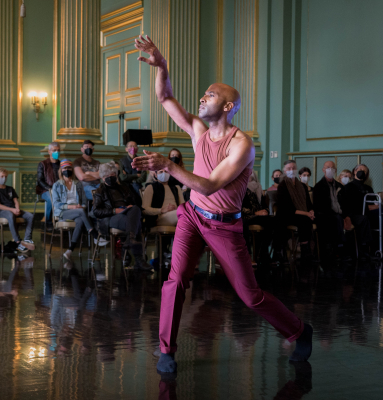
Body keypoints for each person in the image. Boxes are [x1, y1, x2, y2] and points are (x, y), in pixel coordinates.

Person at [133, 35, 311, 374]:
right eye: (204, 93)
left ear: (228, 106)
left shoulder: (241, 145)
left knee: (250, 296)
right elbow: (165, 97)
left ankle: (300, 331)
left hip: (225, 225)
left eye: (210, 94)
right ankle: (166, 351)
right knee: (176, 279)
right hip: (192, 215)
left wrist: (169, 166)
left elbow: (212, 183)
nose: (202, 98)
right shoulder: (198, 130)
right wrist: (162, 66)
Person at [92, 162, 151, 271]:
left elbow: (137, 202)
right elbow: (96, 211)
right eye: (106, 176)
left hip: (128, 213)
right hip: (111, 217)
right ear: (102, 177)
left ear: (116, 175)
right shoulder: (100, 191)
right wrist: (115, 210)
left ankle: (129, 242)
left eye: (112, 175)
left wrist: (129, 206)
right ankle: (138, 259)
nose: (110, 178)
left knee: (135, 211)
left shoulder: (124, 188)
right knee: (135, 221)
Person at [51, 160, 96, 260]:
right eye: (65, 168)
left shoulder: (78, 184)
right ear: (61, 170)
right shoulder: (57, 185)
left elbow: (84, 201)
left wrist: (81, 206)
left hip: (79, 211)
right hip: (63, 212)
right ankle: (93, 233)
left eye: (69, 168)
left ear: (72, 170)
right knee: (81, 213)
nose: (67, 170)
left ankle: (70, 250)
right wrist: (73, 207)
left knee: (80, 220)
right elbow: (56, 204)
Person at [277, 160, 315, 260]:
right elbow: (287, 208)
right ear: (285, 172)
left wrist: (311, 211)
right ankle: (304, 249)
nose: (292, 170)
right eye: (289, 168)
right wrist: (307, 214)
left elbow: (309, 203)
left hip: (303, 213)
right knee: (305, 220)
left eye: (293, 168)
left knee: (318, 218)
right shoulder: (283, 186)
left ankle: (318, 250)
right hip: (287, 215)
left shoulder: (302, 186)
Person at [0, 167, 35, 253]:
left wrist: (17, 209)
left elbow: (15, 201)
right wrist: (12, 210)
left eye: (5, 176)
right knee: (11, 215)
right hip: (3, 212)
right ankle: (17, 241)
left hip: (13, 209)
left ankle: (27, 239)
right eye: (2, 176)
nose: (4, 178)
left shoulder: (10, 189)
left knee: (30, 216)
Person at [340, 164, 380, 258]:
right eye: (360, 169)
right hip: (354, 214)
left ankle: (377, 248)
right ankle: (364, 248)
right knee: (364, 219)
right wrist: (369, 207)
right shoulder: (348, 187)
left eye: (364, 171)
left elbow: (375, 204)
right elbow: (353, 205)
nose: (362, 172)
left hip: (369, 213)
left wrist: (372, 207)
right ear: (355, 171)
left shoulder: (368, 188)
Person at [313, 161, 347, 260]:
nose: (330, 169)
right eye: (328, 167)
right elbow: (318, 206)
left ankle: (343, 248)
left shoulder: (339, 186)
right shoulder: (319, 186)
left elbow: (345, 204)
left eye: (332, 168)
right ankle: (339, 248)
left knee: (341, 218)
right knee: (335, 219)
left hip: (339, 214)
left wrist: (346, 216)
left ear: (335, 170)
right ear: (323, 170)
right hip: (324, 215)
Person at [242, 171, 274, 265]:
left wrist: (265, 211)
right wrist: (256, 212)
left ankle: (263, 251)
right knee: (244, 225)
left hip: (259, 215)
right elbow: (240, 207)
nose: (250, 176)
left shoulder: (258, 187)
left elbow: (264, 204)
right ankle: (252, 254)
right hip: (247, 216)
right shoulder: (241, 188)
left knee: (273, 221)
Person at [37, 142, 61, 231]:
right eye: (54, 150)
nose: (57, 152)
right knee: (52, 198)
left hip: (60, 190)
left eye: (58, 150)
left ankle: (61, 221)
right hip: (45, 190)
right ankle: (48, 222)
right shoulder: (43, 164)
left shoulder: (62, 164)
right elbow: (40, 180)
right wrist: (49, 188)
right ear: (49, 152)